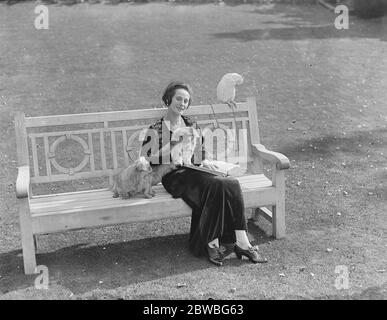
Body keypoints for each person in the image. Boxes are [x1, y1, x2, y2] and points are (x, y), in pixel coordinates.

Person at [141, 81, 267, 266]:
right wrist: (173, 147)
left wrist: (208, 164)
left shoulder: (191, 124)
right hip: (174, 176)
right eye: (178, 98)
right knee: (218, 185)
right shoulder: (157, 128)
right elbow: (145, 158)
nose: (182, 103)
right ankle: (213, 242)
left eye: (186, 101)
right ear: (169, 99)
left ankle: (242, 241)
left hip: (194, 171)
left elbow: (200, 154)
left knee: (229, 182)